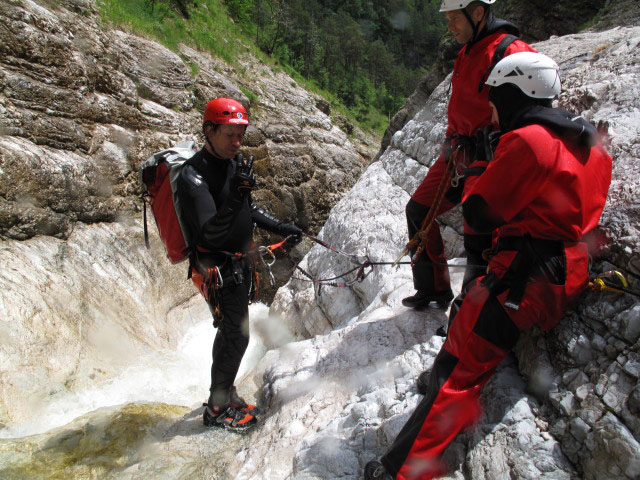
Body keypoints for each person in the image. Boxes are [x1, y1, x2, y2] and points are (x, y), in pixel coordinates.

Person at [365, 52, 613, 479]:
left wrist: (481, 166)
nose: (492, 111)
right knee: (469, 314)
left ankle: (399, 470)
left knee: (457, 371)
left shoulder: (529, 141)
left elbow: (478, 216)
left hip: (522, 280)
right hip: (566, 273)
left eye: (496, 99)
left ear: (514, 95)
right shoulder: (593, 144)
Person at [176, 97, 302, 432]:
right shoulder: (193, 177)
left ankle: (225, 393)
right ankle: (217, 408)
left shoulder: (232, 163)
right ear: (209, 130)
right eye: (229, 134)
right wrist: (235, 196)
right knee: (234, 336)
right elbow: (210, 232)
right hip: (216, 268)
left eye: (240, 134)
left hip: (236, 264)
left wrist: (280, 226)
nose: (237, 142)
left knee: (235, 334)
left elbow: (248, 209)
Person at [402, 0, 536, 311]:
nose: (449, 27)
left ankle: (467, 313)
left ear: (477, 12)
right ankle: (433, 288)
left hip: (488, 157)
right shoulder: (466, 52)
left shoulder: (511, 50)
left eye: (453, 18)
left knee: (479, 239)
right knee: (417, 210)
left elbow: (530, 105)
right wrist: (451, 142)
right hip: (459, 154)